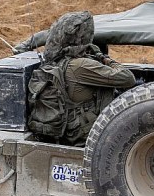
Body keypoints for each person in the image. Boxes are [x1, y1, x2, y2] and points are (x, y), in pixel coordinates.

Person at [29, 11, 136, 146]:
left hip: (68, 130)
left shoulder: (57, 60)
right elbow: (128, 78)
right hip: (83, 135)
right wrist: (103, 57)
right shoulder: (81, 65)